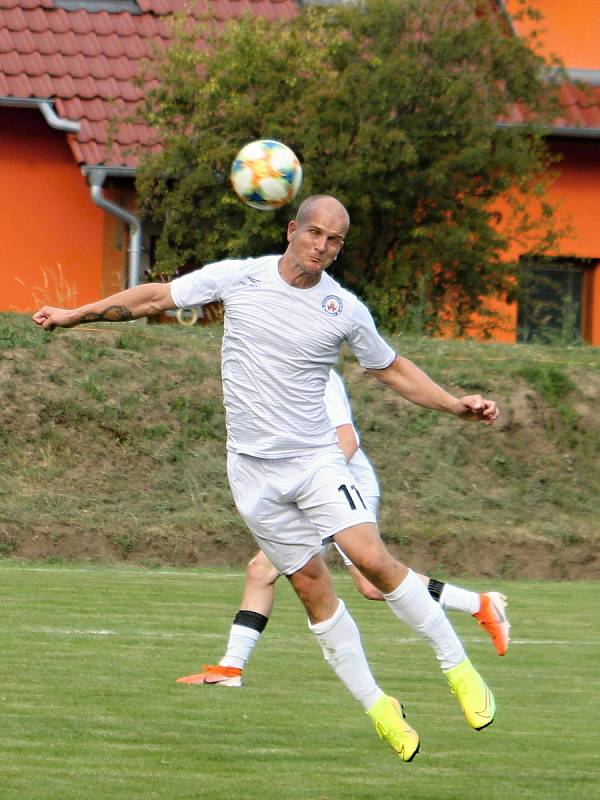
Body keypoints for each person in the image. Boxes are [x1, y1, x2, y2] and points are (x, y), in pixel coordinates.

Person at [33, 194, 502, 764]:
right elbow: (157, 296)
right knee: (310, 588)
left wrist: (457, 405)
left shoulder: (344, 309)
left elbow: (394, 370)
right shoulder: (240, 278)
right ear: (292, 229)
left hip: (314, 461)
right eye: (315, 234)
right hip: (252, 473)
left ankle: (458, 669)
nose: (322, 248)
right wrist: (76, 313)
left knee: (372, 560)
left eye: (334, 241)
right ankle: (379, 706)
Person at [177, 369, 509, 688]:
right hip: (315, 487)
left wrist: (306, 485)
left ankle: (232, 667)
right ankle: (479, 604)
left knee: (273, 571)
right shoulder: (275, 369)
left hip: (339, 485)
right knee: (343, 582)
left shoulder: (316, 372)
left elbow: (346, 440)